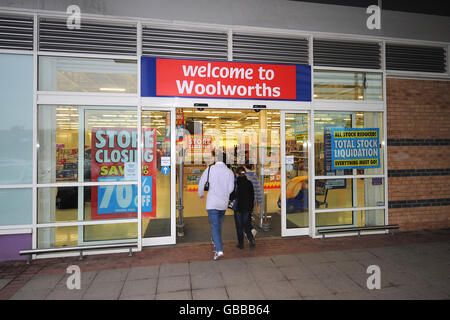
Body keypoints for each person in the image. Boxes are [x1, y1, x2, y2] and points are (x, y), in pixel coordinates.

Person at [198, 152, 235, 260]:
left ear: (215, 159)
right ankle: (215, 240)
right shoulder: (229, 172)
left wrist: (201, 194)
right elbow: (230, 189)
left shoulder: (210, 169)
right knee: (217, 225)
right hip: (223, 203)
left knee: (214, 226)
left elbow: (201, 183)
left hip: (212, 203)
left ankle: (219, 250)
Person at [230, 166, 256, 249]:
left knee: (239, 226)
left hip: (238, 208)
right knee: (247, 225)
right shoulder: (249, 183)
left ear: (237, 174)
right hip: (247, 208)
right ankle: (251, 240)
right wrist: (251, 208)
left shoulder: (235, 184)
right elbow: (252, 197)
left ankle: (241, 244)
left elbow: (232, 196)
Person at [244, 164, 260, 238]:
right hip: (253, 199)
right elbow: (258, 189)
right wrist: (259, 201)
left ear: (244, 167)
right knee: (249, 214)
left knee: (245, 216)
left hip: (245, 199)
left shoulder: (245, 177)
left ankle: (250, 229)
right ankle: (249, 230)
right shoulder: (255, 177)